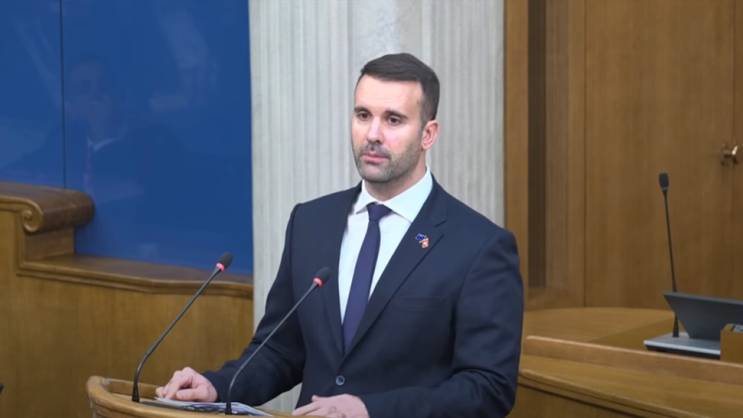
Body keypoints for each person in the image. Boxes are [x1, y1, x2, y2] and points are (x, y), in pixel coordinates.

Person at [157, 52, 523, 418]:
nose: (373, 134)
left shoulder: (479, 246)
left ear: (428, 134)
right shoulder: (311, 222)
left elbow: (488, 388)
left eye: (393, 119)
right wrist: (217, 387)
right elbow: (281, 350)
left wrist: (370, 410)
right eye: (363, 115)